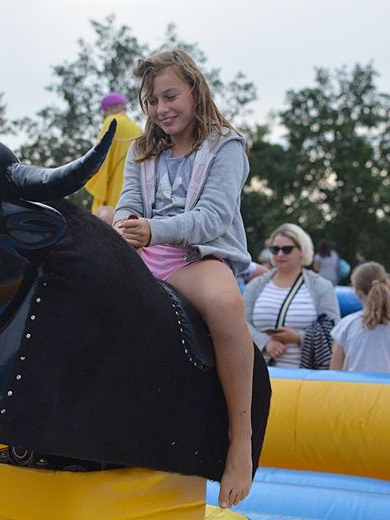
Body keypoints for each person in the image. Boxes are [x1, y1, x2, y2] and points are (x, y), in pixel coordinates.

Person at [113, 49, 256, 509]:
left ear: (195, 90)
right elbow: (127, 203)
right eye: (152, 101)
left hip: (197, 255)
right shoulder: (140, 149)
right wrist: (126, 223)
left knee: (227, 305)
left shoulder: (225, 144)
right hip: (143, 250)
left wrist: (155, 229)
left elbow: (213, 217)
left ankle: (240, 441)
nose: (161, 109)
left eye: (170, 96)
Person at [244, 224, 340, 369]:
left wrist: (299, 338)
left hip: (304, 378)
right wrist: (265, 342)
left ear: (302, 251)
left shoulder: (321, 286)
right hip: (259, 372)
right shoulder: (255, 285)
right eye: (275, 249)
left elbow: (334, 329)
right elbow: (241, 322)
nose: (280, 254)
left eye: (287, 249)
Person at [330, 262, 390, 372]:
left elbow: (333, 374)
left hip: (356, 389)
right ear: (388, 285)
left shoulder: (346, 326)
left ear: (358, 293)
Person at [84, 92, 143, 214]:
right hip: (134, 194)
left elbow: (98, 157)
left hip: (113, 193)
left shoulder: (111, 121)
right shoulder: (138, 129)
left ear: (108, 109)